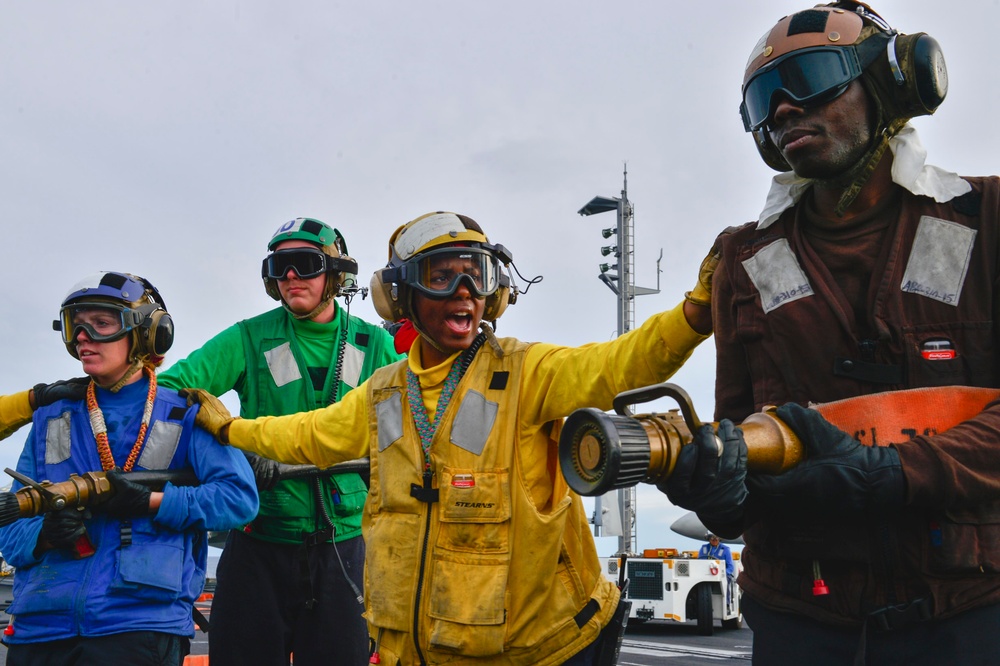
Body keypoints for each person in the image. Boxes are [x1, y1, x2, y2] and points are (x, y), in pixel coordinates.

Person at [183, 210, 718, 665]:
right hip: (426, 651)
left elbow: (621, 365)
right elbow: (309, 434)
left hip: (540, 651)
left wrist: (694, 314)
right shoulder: (387, 390)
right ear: (400, 296)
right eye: (441, 277)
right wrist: (229, 427)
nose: (465, 292)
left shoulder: (529, 373)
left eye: (476, 275)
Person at [664, 2, 1000, 664]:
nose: (784, 109)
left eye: (811, 78)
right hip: (801, 621)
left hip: (969, 613)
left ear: (893, 81)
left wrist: (895, 473)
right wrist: (718, 487)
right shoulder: (743, 260)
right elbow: (739, 434)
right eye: (766, 98)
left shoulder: (985, 221)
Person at [158, 217, 402, 666]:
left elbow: (410, 425)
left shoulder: (375, 348)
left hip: (345, 553)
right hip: (258, 546)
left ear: (335, 274)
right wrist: (234, 456)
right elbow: (170, 395)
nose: (290, 277)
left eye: (304, 264)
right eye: (279, 266)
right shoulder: (248, 338)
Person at [0, 271, 258, 665]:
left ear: (147, 334)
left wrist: (152, 502)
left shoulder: (186, 414)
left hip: (139, 627)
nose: (83, 337)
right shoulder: (52, 416)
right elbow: (13, 531)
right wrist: (45, 537)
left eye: (101, 324)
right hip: (42, 629)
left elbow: (238, 500)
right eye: (76, 326)